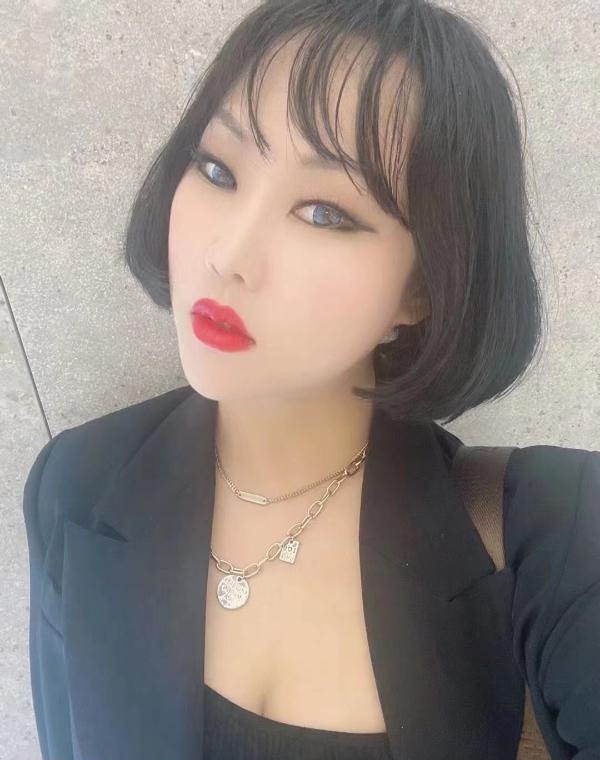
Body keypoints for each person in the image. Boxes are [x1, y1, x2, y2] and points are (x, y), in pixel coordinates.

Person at [23, 1, 599, 759]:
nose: (229, 256)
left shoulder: (556, 540)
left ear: (423, 287)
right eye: (218, 169)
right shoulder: (77, 484)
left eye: (325, 212)